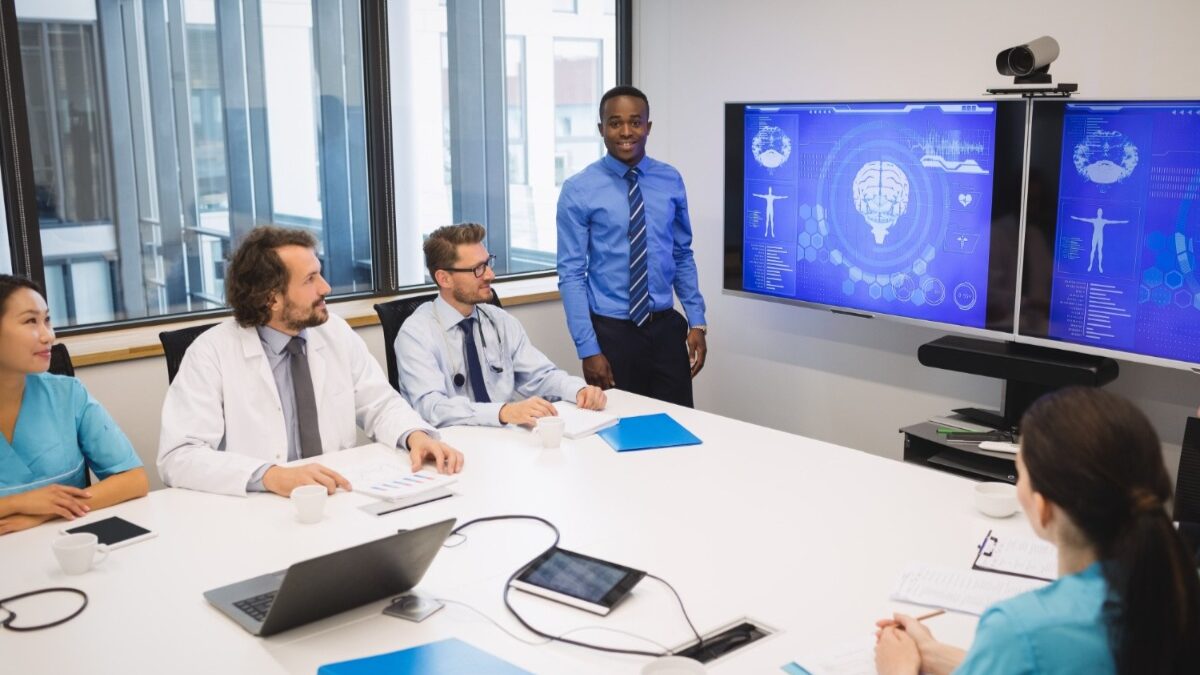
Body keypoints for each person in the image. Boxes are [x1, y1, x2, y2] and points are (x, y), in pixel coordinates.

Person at [875, 387, 1200, 675]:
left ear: (1043, 508)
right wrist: (937, 655)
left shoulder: (1021, 629)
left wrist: (899, 669)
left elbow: (1028, 652)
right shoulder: (1174, 587)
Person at [158, 226, 463, 498]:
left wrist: (415, 435)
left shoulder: (335, 333)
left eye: (320, 273)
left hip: (338, 496)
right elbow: (179, 456)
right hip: (258, 508)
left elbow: (380, 403)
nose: (325, 288)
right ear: (271, 298)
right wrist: (269, 475)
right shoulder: (210, 353)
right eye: (310, 279)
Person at [557, 84, 707, 407]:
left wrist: (696, 319)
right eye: (615, 123)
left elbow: (681, 254)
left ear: (648, 127)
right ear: (601, 129)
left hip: (666, 330)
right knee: (618, 434)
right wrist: (588, 349)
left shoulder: (671, 180)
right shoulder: (578, 190)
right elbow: (571, 274)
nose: (626, 131)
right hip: (612, 335)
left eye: (635, 122)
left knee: (677, 430)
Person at [396, 223, 606, 427]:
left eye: (488, 263)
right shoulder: (416, 334)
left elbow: (541, 375)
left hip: (505, 442)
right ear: (444, 278)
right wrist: (503, 412)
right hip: (451, 449)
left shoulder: (499, 320)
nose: (490, 275)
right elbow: (431, 408)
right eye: (478, 269)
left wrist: (578, 390)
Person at [0, 275, 148, 535]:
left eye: (46, 319)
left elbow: (133, 480)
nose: (49, 336)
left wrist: (48, 512)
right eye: (30, 321)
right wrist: (18, 503)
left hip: (68, 550)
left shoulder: (68, 395)